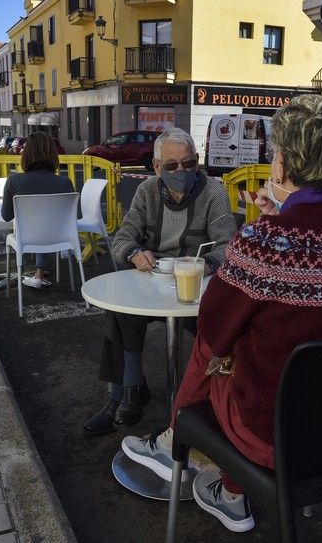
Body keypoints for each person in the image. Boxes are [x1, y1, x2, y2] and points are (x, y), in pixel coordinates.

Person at [120, 91, 322, 533]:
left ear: (286, 164)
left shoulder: (263, 243)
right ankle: (230, 490)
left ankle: (176, 441)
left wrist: (267, 230)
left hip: (274, 436)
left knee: (218, 352)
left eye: (276, 154)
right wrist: (280, 221)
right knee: (266, 347)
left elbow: (213, 332)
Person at [82, 128, 237, 437]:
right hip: (152, 283)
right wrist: (135, 253)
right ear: (156, 168)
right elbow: (122, 238)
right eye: (171, 166)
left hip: (197, 289)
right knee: (120, 312)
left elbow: (229, 245)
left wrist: (206, 263)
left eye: (188, 163)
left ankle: (213, 407)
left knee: (221, 328)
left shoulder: (214, 193)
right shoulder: (147, 192)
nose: (181, 171)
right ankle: (126, 393)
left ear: (196, 161)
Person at [0, 132, 74, 289]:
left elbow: (6, 216)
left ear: (26, 154)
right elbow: (76, 216)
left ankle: (35, 276)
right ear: (53, 154)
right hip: (59, 239)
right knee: (44, 225)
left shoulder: (14, 181)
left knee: (35, 226)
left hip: (26, 238)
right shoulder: (65, 183)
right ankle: (40, 274)